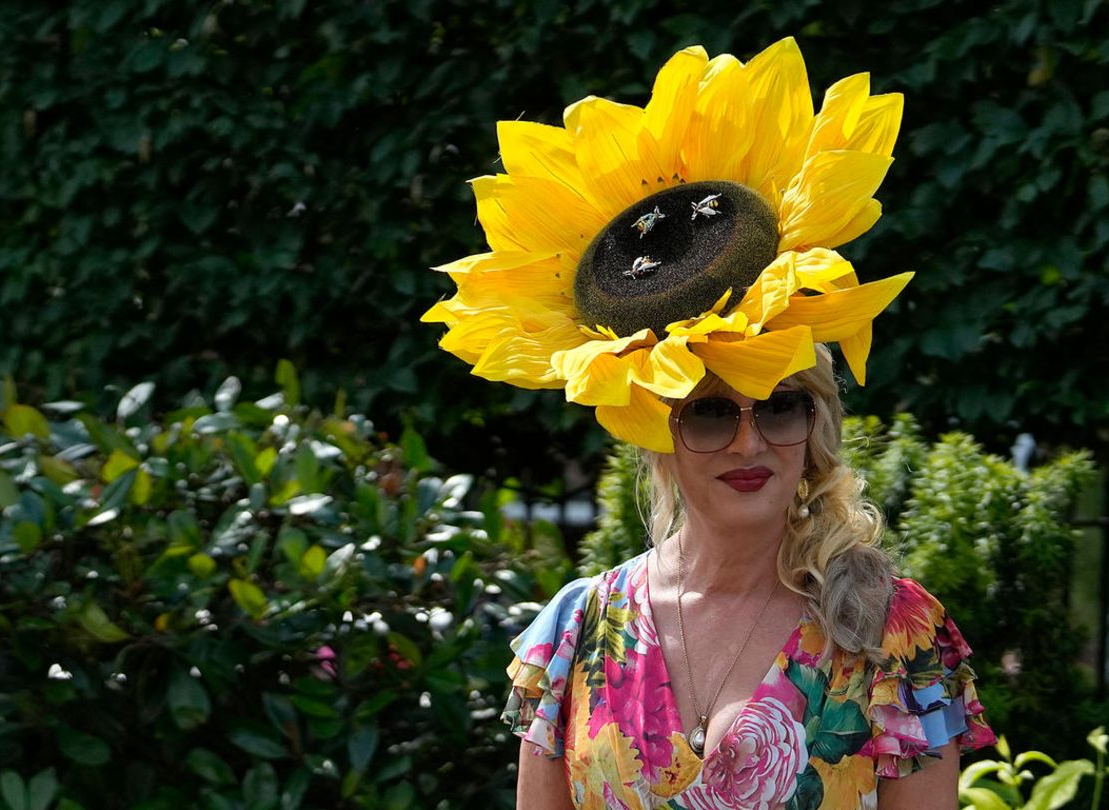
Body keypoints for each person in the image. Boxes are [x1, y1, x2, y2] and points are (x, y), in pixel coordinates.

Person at [420, 36, 996, 808]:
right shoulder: (579, 631)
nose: (750, 442)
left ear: (816, 420)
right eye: (711, 414)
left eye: (782, 406)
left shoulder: (892, 632)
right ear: (654, 428)